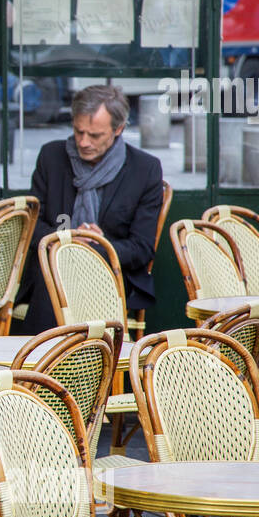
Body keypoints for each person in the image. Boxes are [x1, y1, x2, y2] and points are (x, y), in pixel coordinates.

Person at [17, 84, 164, 335]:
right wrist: (67, 237)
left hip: (112, 275)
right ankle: (39, 368)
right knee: (56, 270)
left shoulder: (144, 169)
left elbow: (141, 248)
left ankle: (72, 369)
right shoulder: (52, 157)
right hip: (53, 269)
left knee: (67, 275)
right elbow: (31, 226)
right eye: (78, 131)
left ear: (118, 129)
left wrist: (100, 244)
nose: (83, 142)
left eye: (94, 135)